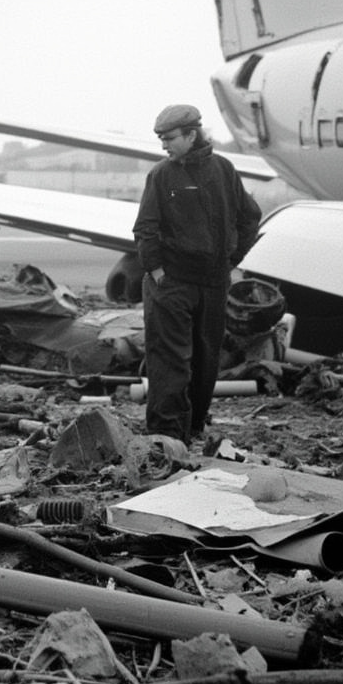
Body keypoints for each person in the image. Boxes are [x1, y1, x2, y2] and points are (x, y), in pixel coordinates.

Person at [133, 104, 261, 445]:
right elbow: (145, 227)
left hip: (213, 283)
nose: (164, 146)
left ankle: (193, 429)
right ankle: (165, 436)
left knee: (205, 362)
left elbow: (250, 217)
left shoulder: (223, 170)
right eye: (161, 139)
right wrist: (157, 270)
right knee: (169, 360)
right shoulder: (161, 175)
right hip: (171, 284)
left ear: (192, 134)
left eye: (169, 138)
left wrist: (231, 259)